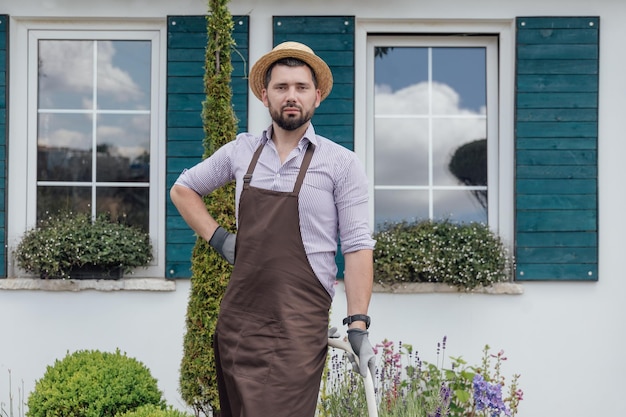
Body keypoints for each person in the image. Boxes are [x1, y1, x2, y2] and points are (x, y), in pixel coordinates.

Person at [170, 41, 376, 417]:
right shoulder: (240, 151)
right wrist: (220, 239)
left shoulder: (342, 164)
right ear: (265, 96)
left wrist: (358, 323)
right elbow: (183, 189)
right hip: (240, 323)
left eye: (300, 87)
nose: (291, 96)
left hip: (299, 324)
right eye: (281, 88)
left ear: (318, 95)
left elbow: (358, 245)